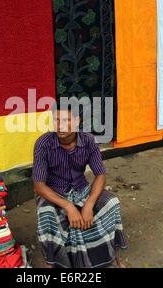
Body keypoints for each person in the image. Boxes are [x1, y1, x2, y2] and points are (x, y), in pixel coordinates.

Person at [31, 104, 127, 268]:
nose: (60, 126)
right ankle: (52, 261)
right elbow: (39, 186)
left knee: (112, 203)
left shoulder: (88, 140)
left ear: (76, 121)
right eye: (56, 120)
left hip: (81, 189)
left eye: (66, 120)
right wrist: (69, 206)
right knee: (46, 213)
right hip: (54, 192)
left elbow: (100, 175)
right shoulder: (43, 143)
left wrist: (89, 205)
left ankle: (108, 253)